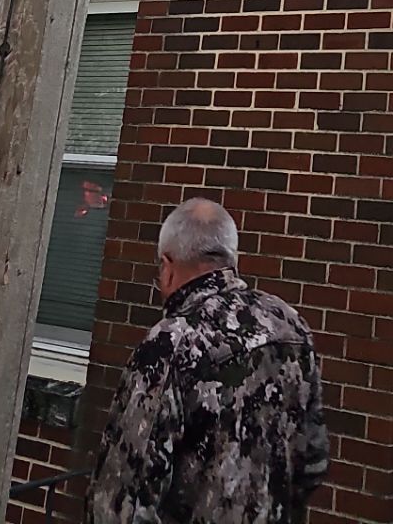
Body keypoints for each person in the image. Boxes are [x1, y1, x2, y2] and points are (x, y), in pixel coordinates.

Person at [85, 195, 329, 524]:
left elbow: (118, 503)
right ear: (231, 258)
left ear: (168, 266)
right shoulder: (289, 324)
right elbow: (313, 461)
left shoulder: (172, 343)